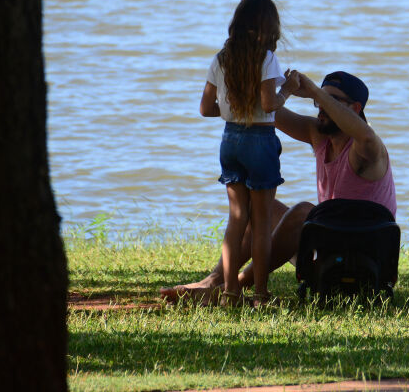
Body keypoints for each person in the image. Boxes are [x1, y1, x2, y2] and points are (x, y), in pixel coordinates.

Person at [160, 69, 397, 305]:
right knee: (263, 206)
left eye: (331, 100)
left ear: (355, 109)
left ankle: (234, 287)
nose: (320, 107)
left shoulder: (367, 149)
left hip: (366, 261)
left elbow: (366, 136)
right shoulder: (319, 136)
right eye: (319, 101)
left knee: (305, 211)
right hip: (329, 253)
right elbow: (265, 110)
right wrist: (269, 78)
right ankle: (214, 280)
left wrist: (314, 90)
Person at [201, 0, 299, 306]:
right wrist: (289, 89)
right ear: (269, 27)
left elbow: (206, 108)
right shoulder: (267, 59)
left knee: (236, 219)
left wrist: (234, 112)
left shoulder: (220, 59)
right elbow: (270, 104)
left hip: (229, 141)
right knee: (260, 221)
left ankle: (229, 292)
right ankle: (259, 293)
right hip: (260, 140)